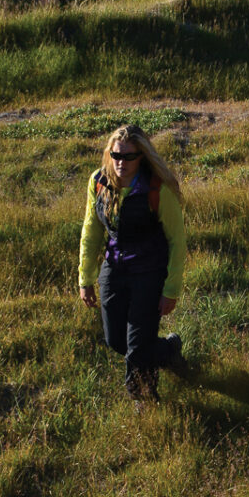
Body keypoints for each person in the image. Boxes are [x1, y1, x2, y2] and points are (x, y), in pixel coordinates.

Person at [78, 124, 188, 402]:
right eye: (116, 155)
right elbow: (91, 230)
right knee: (116, 340)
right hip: (114, 268)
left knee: (137, 347)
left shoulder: (156, 188)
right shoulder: (99, 182)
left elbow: (177, 241)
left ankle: (144, 398)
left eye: (128, 157)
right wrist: (85, 278)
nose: (120, 163)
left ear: (142, 156)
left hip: (149, 272)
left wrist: (170, 289)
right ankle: (168, 351)